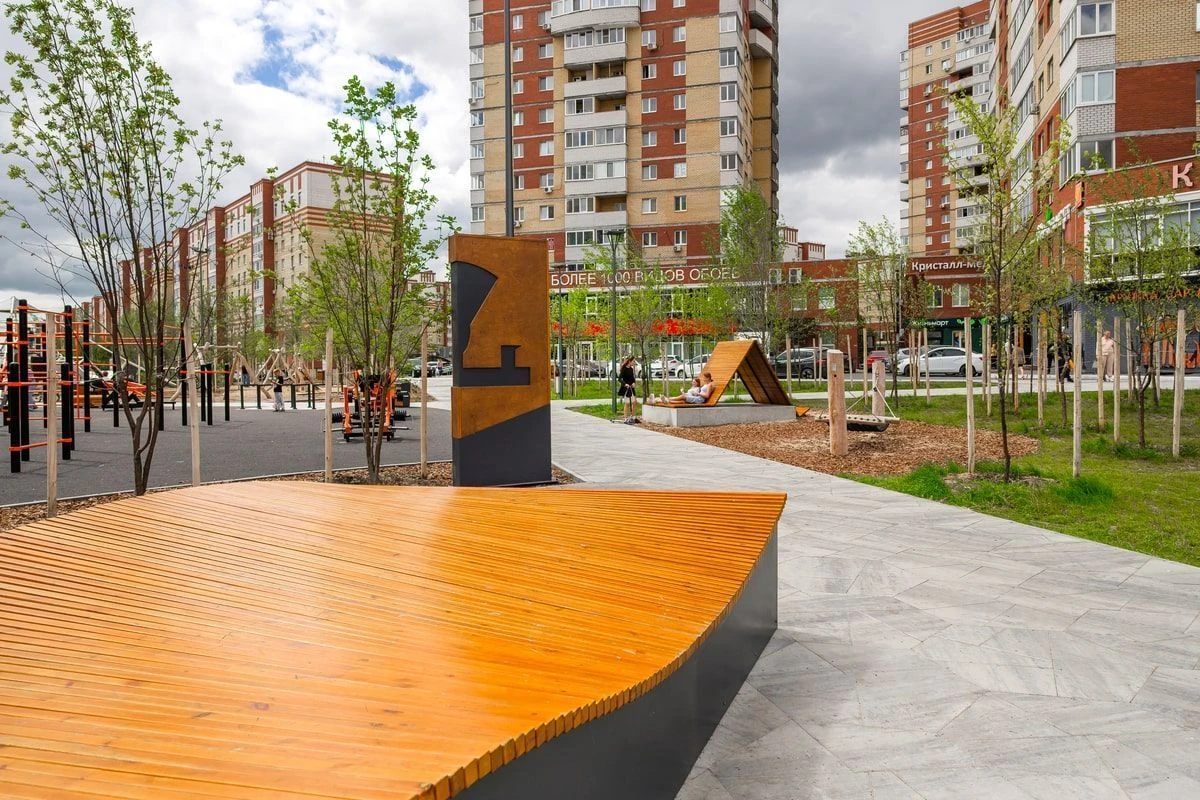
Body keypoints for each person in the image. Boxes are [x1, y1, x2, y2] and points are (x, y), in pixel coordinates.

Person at [616, 355, 638, 421]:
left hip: (631, 388)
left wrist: (634, 383)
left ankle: (633, 417)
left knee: (635, 402)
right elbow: (619, 379)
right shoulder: (624, 369)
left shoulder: (631, 369)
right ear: (629, 361)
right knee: (627, 403)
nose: (634, 362)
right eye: (633, 361)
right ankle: (625, 418)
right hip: (626, 388)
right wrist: (625, 384)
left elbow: (632, 378)